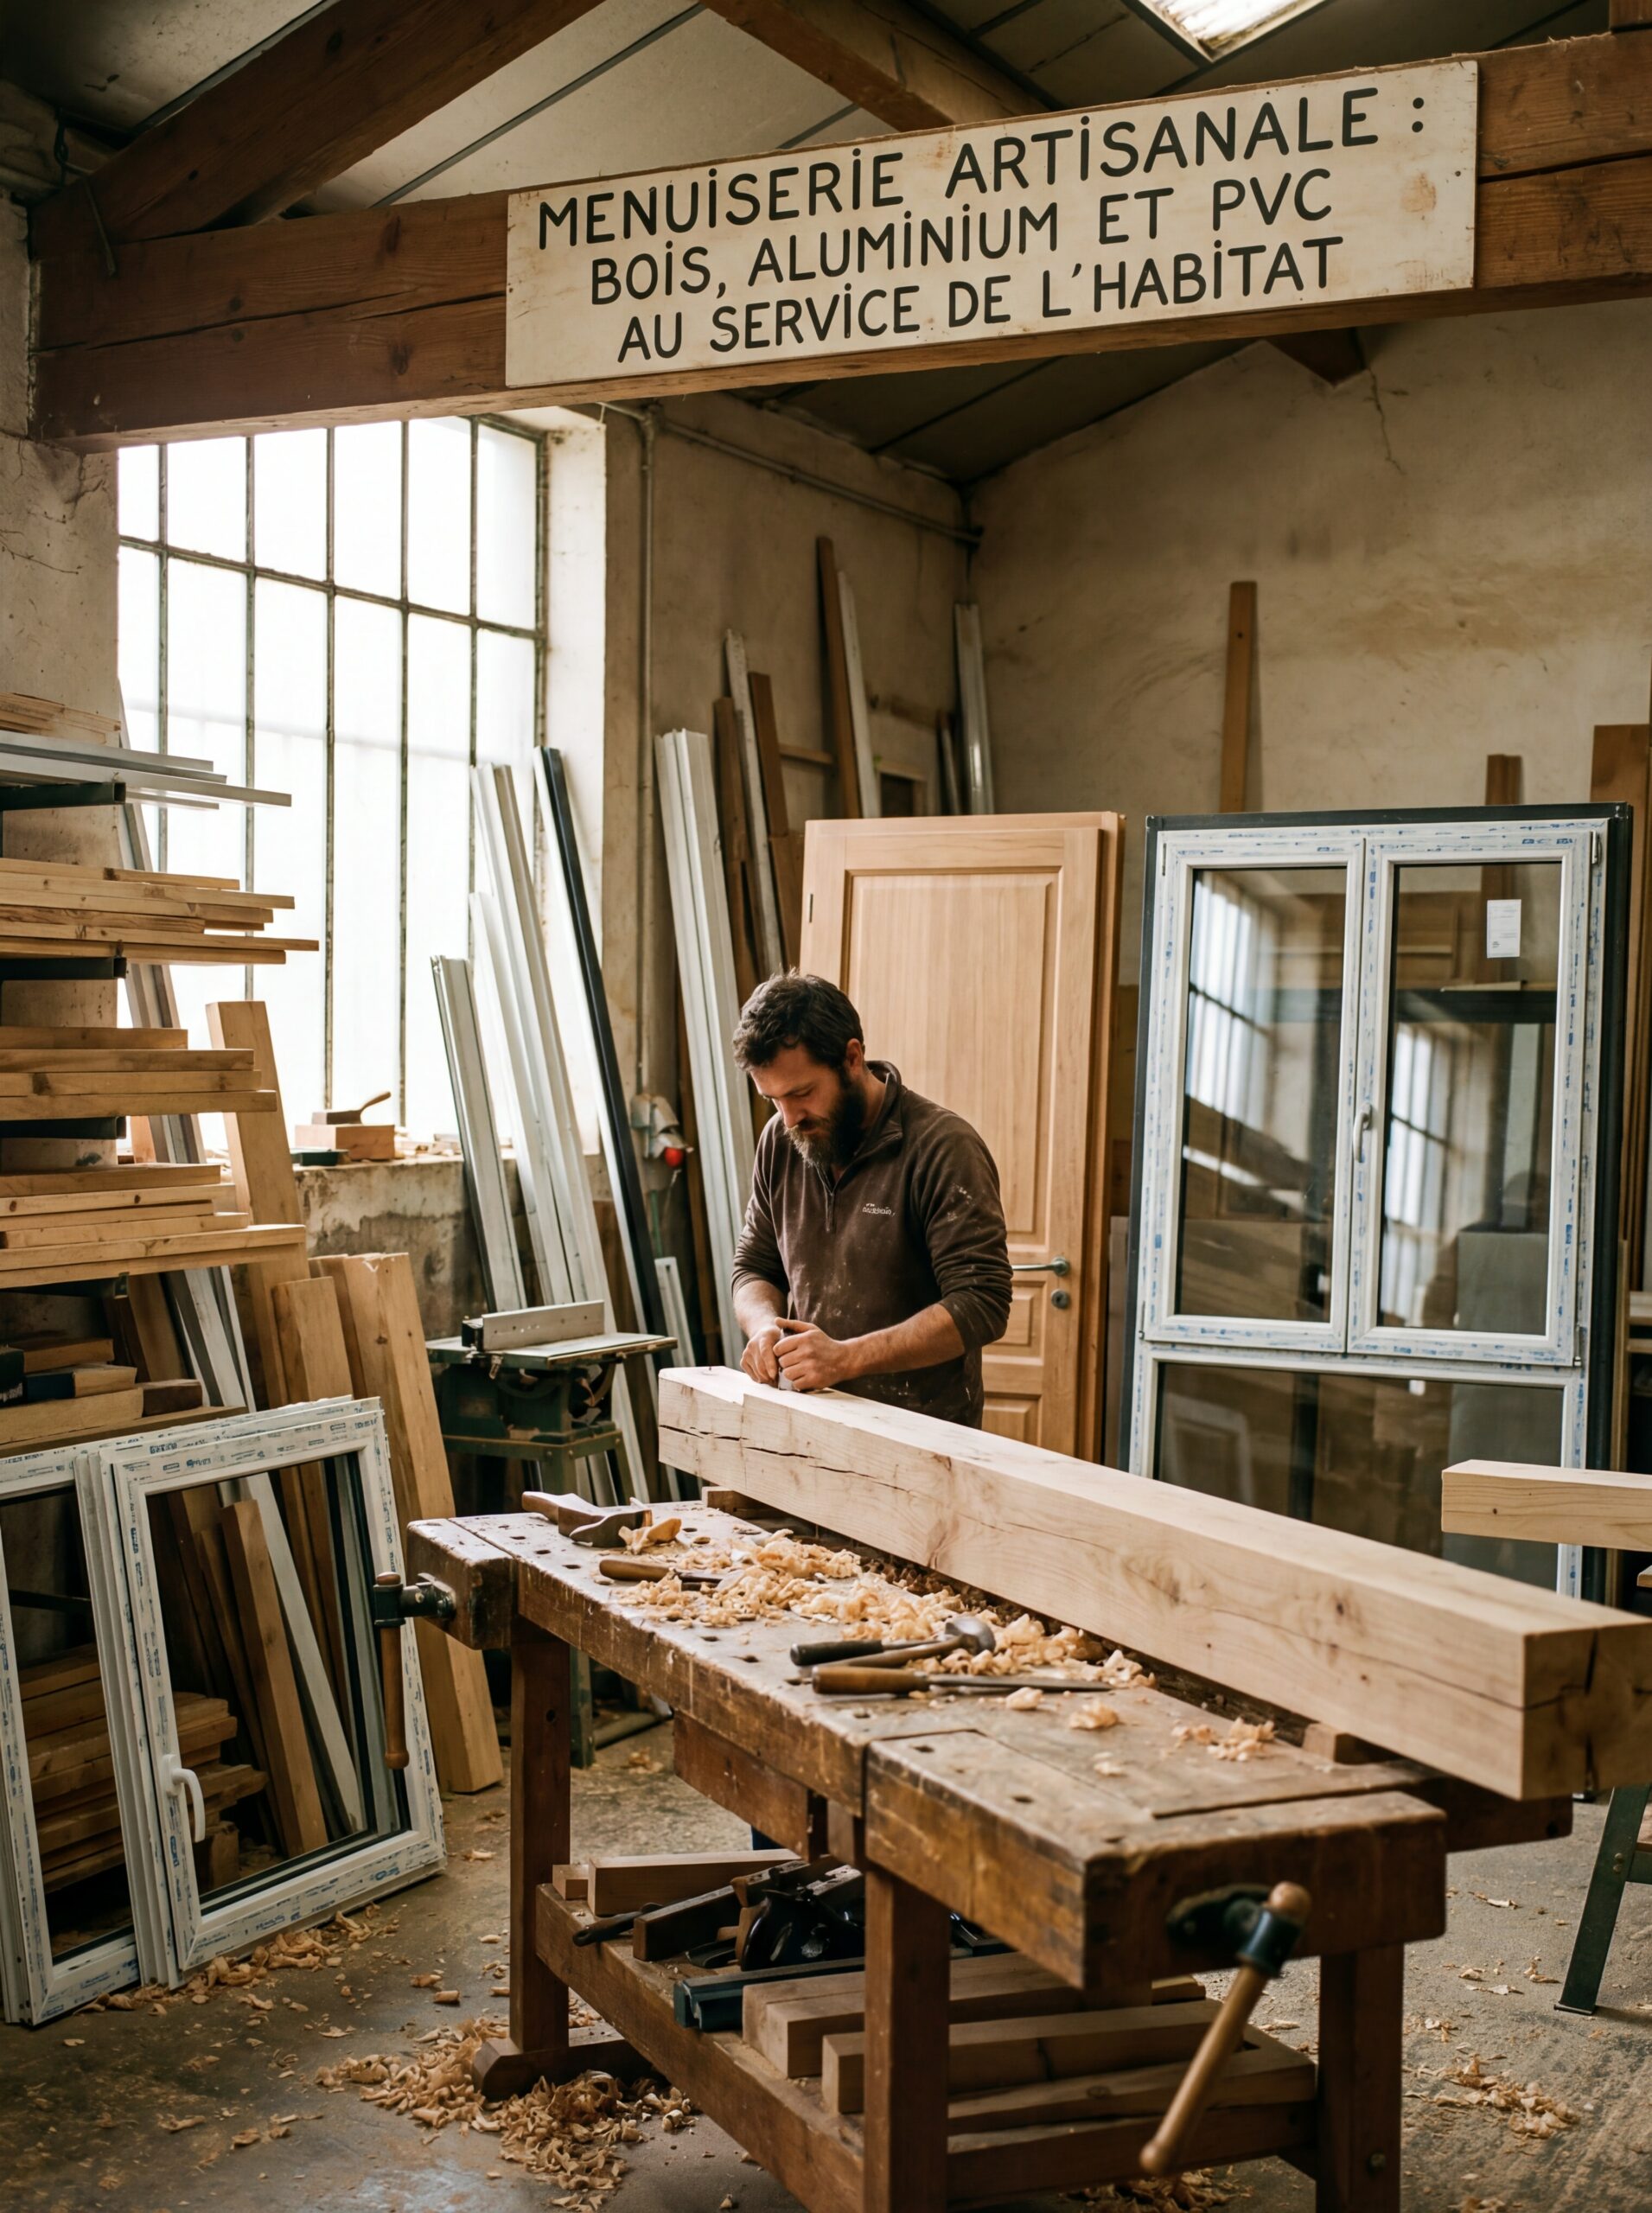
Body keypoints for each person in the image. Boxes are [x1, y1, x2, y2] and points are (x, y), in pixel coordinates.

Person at [729, 971, 1011, 1427]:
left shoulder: (942, 1148)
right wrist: (763, 1325)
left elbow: (983, 1303)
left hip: (924, 1434)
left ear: (853, 1058)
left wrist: (845, 1359)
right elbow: (755, 1267)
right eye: (773, 1099)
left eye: (802, 1093)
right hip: (811, 1420)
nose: (789, 1117)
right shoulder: (781, 1142)